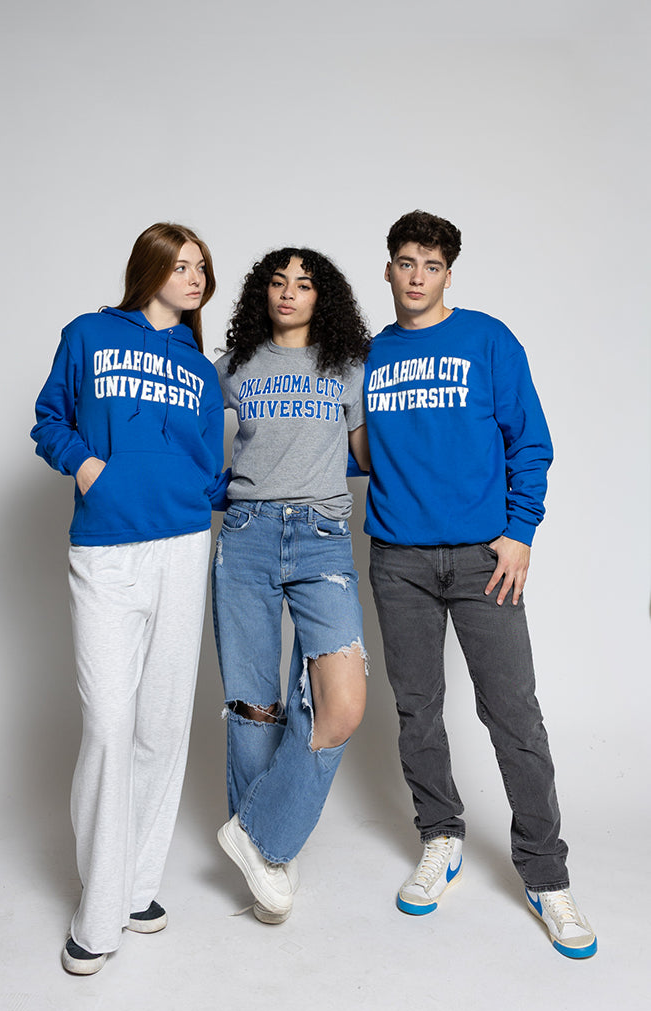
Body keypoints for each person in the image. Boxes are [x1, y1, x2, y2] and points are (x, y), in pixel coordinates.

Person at [365, 209, 597, 959]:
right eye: (405, 262)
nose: (416, 276)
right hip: (397, 559)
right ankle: (440, 835)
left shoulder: (488, 340)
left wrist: (521, 530)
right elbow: (358, 449)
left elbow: (529, 439)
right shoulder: (370, 355)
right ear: (390, 268)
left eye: (430, 265)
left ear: (448, 274)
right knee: (417, 710)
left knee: (514, 715)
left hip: (481, 560)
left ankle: (546, 873)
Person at [31, 222, 224, 974]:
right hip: (107, 548)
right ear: (148, 268)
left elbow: (210, 464)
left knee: (162, 724)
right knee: (110, 722)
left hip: (183, 545)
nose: (195, 276)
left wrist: (208, 501)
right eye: (181, 265)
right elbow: (50, 419)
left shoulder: (201, 370)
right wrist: (87, 469)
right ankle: (97, 906)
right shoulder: (89, 335)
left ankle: (138, 885)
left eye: (203, 266)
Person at [212, 248, 371, 923]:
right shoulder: (234, 364)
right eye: (277, 281)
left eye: (304, 284)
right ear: (261, 293)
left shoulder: (348, 366)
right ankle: (268, 860)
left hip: (322, 536)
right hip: (245, 535)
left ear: (322, 298)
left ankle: (258, 833)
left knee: (342, 700)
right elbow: (182, 427)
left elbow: (368, 455)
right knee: (255, 703)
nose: (288, 292)